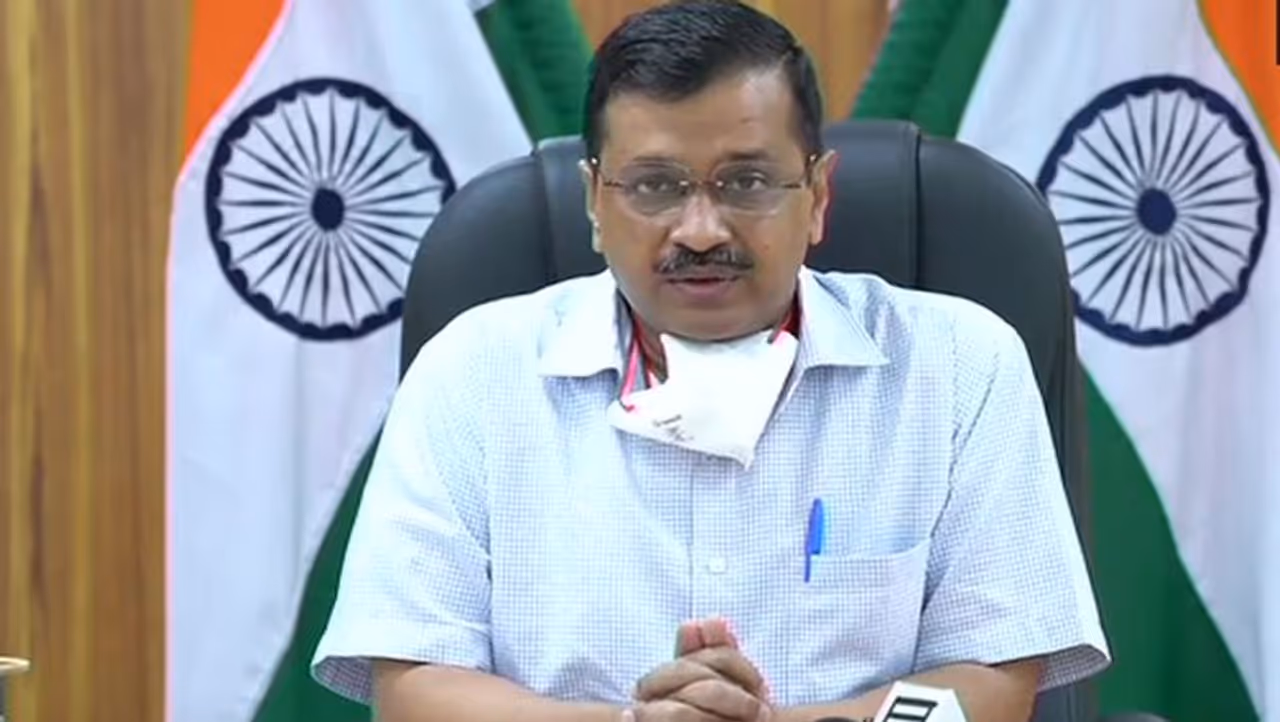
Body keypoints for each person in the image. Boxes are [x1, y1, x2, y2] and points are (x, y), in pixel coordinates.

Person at [311, 2, 1111, 721]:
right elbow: (414, 690)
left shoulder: (958, 364)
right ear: (594, 201)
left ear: (818, 196)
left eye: (747, 182)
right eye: (654, 186)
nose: (700, 230)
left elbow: (987, 686)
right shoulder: (473, 372)